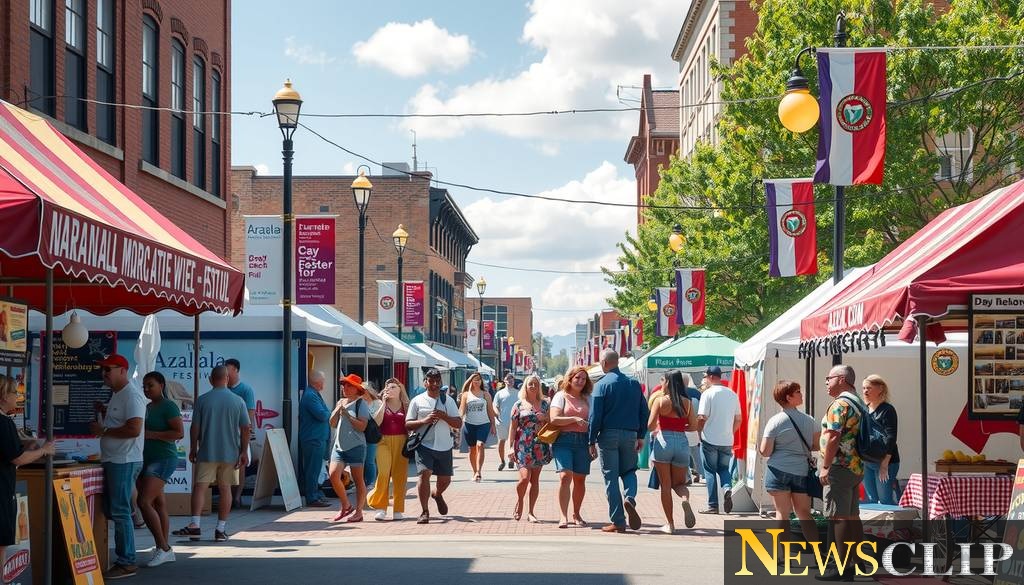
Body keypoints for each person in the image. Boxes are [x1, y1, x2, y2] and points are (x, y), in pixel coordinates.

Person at [173, 365, 250, 543]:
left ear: (210, 379)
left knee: (200, 486)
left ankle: (195, 524)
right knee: (225, 489)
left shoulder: (202, 400)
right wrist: (243, 451)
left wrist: (193, 448)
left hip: (207, 451)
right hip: (230, 453)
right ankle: (220, 529)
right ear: (227, 379)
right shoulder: (238, 401)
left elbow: (195, 427)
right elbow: (245, 428)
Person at [89, 354, 147, 579]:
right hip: (116, 459)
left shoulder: (131, 395)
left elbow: (134, 429)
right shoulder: (119, 394)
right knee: (117, 510)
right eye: (102, 370)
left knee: (121, 511)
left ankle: (127, 561)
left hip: (123, 460)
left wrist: (103, 431)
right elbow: (122, 423)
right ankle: (125, 557)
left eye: (108, 369)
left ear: (122, 370)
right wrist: (105, 414)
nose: (104, 374)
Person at [588, 349, 649, 533]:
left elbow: (595, 416)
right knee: (630, 471)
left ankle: (618, 521)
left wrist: (591, 440)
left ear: (605, 363)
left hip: (608, 435)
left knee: (611, 477)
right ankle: (630, 496)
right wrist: (640, 435)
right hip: (630, 434)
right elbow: (644, 411)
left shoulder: (601, 385)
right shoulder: (633, 383)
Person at [759, 380, 819, 551]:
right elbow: (816, 445)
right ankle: (817, 551)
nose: (801, 394)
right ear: (788, 397)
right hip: (801, 471)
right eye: (798, 392)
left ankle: (782, 554)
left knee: (782, 514)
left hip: (778, 470)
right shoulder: (810, 420)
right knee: (804, 513)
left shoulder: (775, 422)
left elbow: (765, 451)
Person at [817, 364, 865, 581]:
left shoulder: (840, 404)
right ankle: (858, 562)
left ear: (842, 379)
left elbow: (834, 436)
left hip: (839, 466)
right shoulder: (858, 402)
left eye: (829, 378)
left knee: (838, 517)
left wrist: (825, 465)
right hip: (856, 466)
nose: (826, 381)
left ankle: (841, 567)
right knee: (852, 517)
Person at [0, 376, 54, 564]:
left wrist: (30, 450)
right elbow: (17, 458)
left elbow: (11, 455)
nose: (17, 396)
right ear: (3, 396)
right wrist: (44, 450)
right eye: (15, 392)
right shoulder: (4, 423)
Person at [137, 372, 183, 567]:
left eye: (151, 385)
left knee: (144, 501)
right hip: (147, 459)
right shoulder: (146, 407)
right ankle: (163, 548)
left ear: (161, 385)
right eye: (144, 386)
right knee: (159, 503)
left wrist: (151, 434)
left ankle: (163, 548)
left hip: (163, 459)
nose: (147, 389)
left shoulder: (169, 406)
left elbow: (178, 432)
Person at [406, 369, 461, 524]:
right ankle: (424, 511)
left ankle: (437, 494)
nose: (435, 384)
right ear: (425, 382)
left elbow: (458, 423)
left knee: (445, 480)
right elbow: (408, 424)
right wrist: (424, 421)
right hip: (424, 444)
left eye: (438, 381)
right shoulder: (417, 401)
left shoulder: (448, 401)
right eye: (431, 381)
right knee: (424, 473)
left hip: (444, 445)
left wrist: (444, 416)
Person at [648, 370, 698, 533]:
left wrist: (660, 426)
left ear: (667, 383)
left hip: (663, 441)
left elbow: (649, 425)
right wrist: (679, 426)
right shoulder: (687, 402)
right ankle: (685, 499)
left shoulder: (660, 401)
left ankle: (670, 524)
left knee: (666, 486)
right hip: (682, 442)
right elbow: (693, 426)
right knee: (679, 484)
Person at [549, 366, 592, 528]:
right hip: (563, 440)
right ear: (570, 379)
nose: (580, 381)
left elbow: (593, 420)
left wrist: (593, 442)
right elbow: (554, 419)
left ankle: (577, 513)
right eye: (577, 378)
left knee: (580, 479)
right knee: (565, 476)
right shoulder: (561, 396)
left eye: (583, 379)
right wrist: (574, 419)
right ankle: (563, 516)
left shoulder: (588, 398)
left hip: (583, 441)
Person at [696, 366, 740, 515]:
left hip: (710, 438)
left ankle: (713, 505)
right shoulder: (732, 394)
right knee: (723, 469)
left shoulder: (707, 394)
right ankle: (727, 488)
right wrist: (730, 432)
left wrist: (699, 432)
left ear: (710, 377)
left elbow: (702, 417)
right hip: (727, 439)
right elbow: (738, 419)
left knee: (709, 471)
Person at [328, 374, 370, 523]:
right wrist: (337, 410)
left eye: (349, 385)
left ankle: (359, 512)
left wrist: (348, 416)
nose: (345, 388)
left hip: (356, 446)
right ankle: (346, 505)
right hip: (339, 446)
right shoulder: (341, 401)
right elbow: (332, 423)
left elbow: (362, 426)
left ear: (357, 389)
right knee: (333, 475)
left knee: (358, 481)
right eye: (343, 385)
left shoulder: (361, 404)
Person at [509, 375, 551, 522]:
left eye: (535, 384)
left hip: (539, 444)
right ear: (525, 386)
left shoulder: (545, 405)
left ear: (539, 387)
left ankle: (531, 512)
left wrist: (545, 418)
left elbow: (552, 423)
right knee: (524, 478)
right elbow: (513, 428)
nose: (533, 386)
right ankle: (520, 501)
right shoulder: (518, 405)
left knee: (535, 480)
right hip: (522, 445)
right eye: (530, 384)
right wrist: (510, 448)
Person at [367, 378, 410, 521]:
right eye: (387, 387)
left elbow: (411, 421)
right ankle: (380, 506)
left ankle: (398, 509)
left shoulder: (405, 405)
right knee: (384, 473)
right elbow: (377, 422)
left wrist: (402, 389)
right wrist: (384, 403)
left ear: (400, 390)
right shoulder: (380, 404)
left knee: (400, 475)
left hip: (401, 440)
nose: (389, 389)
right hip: (383, 441)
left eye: (393, 387)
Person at [861, 375, 900, 505]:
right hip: (867, 461)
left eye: (869, 388)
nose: (865, 391)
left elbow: (891, 437)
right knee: (871, 500)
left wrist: (885, 463)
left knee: (885, 500)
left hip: (886, 461)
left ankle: (895, 525)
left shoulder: (887, 410)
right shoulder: (864, 410)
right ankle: (876, 526)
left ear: (880, 389)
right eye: (864, 388)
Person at [225, 358, 256, 508]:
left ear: (236, 370)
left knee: (240, 463)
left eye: (228, 370)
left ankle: (237, 497)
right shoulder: (223, 388)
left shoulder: (245, 390)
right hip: (224, 433)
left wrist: (247, 430)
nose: (226, 373)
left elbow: (250, 412)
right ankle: (228, 496)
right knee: (227, 464)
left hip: (240, 432)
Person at [298, 371, 331, 508]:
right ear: (317, 382)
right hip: (313, 438)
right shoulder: (311, 395)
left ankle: (315, 494)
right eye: (322, 381)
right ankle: (312, 497)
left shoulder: (313, 394)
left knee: (315, 469)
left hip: (317, 438)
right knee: (312, 470)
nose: (323, 384)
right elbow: (323, 415)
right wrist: (331, 412)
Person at [459, 372, 496, 482]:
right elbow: (462, 410)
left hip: (483, 424)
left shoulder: (486, 394)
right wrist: (457, 421)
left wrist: (493, 424)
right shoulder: (466, 395)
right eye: (474, 379)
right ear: (471, 381)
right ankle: (474, 471)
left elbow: (490, 410)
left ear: (481, 381)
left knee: (480, 445)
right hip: (469, 424)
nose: (477, 381)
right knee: (472, 449)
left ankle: (479, 472)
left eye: (478, 379)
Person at [493, 374, 518, 471]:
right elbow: (495, 405)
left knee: (513, 441)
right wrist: (497, 414)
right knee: (502, 441)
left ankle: (511, 459)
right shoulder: (499, 393)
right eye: (508, 378)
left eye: (512, 378)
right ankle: (502, 461)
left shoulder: (518, 393)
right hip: (502, 421)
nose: (510, 380)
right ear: (504, 380)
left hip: (515, 421)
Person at [362, 382, 382, 490]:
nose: (361, 394)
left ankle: (371, 482)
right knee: (361, 460)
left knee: (370, 460)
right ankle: (361, 482)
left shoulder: (377, 403)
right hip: (360, 434)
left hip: (372, 435)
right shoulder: (359, 403)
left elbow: (376, 418)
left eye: (363, 391)